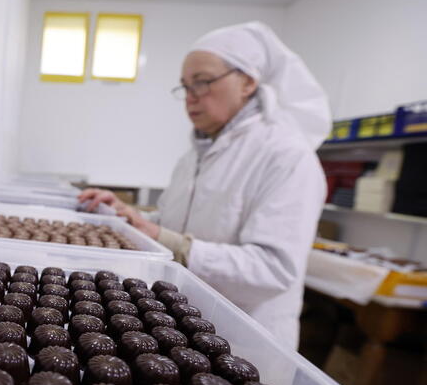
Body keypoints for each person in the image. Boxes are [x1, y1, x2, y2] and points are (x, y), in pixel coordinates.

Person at [79, 21, 330, 350]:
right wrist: (130, 215)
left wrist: (170, 242)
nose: (190, 98)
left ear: (248, 82)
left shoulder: (286, 156)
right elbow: (173, 225)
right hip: (181, 322)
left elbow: (273, 270)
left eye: (203, 82)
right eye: (185, 86)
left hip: (243, 337)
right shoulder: (194, 157)